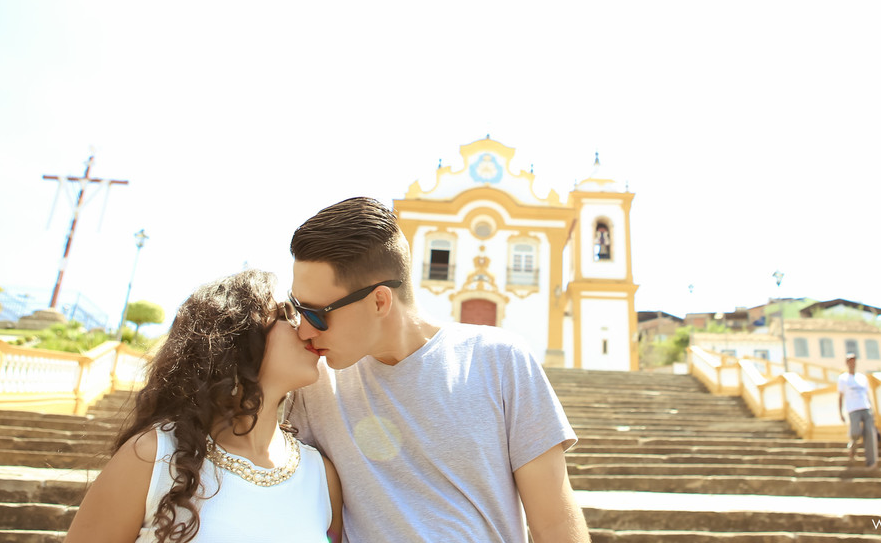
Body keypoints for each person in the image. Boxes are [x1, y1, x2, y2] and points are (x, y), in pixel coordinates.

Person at [285, 197, 590, 543]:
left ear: (379, 301)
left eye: (315, 313)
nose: (304, 329)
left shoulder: (502, 360)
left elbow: (555, 525)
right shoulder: (313, 382)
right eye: (295, 308)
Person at [66, 269, 343, 543]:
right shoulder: (153, 456)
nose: (308, 328)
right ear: (234, 341)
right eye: (285, 315)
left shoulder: (321, 475)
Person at [837, 352, 879, 470]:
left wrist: (872, 409)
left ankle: (872, 462)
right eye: (850, 361)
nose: (852, 363)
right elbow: (840, 396)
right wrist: (840, 412)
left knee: (870, 434)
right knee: (855, 432)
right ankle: (853, 448)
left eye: (854, 360)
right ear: (847, 363)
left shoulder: (862, 378)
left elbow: (867, 395)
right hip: (853, 409)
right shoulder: (843, 378)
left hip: (866, 408)